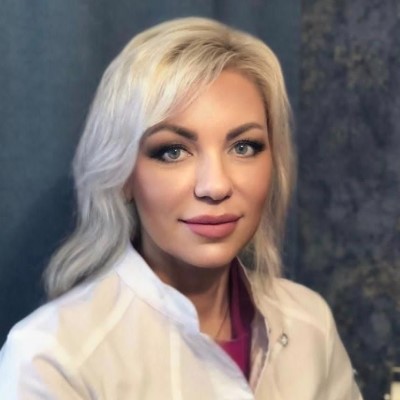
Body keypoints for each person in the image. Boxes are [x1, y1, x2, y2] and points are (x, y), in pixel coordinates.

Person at [0, 17, 363, 399]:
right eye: (173, 151)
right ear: (122, 175)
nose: (216, 186)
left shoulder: (310, 324)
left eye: (244, 147)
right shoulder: (52, 360)